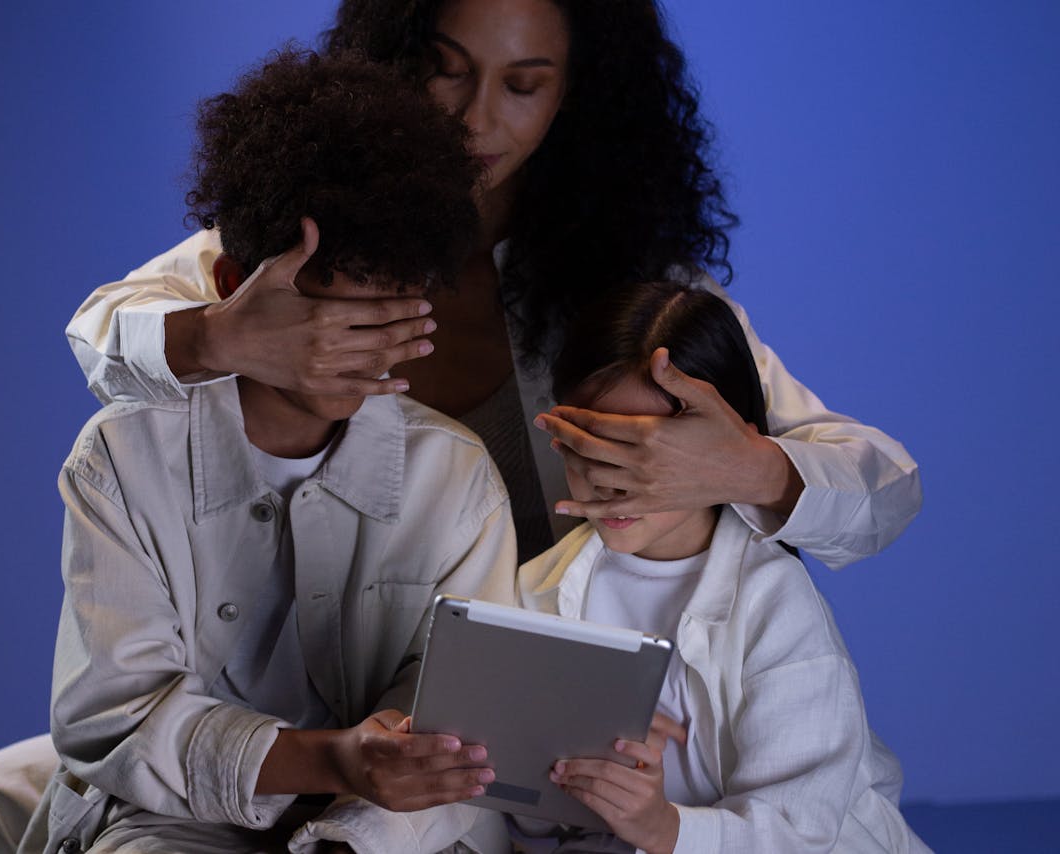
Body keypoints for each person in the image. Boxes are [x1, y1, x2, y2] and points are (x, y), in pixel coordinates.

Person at [68, 0, 920, 570]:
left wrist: (754, 469)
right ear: (390, 63)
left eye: (523, 84)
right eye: (445, 68)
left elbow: (883, 487)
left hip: (568, 715)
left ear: (574, 98)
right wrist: (217, 337)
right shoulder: (299, 245)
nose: (475, 117)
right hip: (333, 703)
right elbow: (103, 334)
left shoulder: (631, 285)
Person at [0, 50, 518, 854]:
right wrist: (334, 758)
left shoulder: (454, 479)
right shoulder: (124, 459)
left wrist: (355, 817)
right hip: (171, 816)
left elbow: (460, 737)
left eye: (392, 320)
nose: (363, 354)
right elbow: (115, 718)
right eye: (338, 321)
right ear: (237, 282)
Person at [515, 282, 931, 853]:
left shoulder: (774, 605)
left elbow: (802, 833)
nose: (609, 478)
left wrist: (665, 828)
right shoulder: (538, 590)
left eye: (641, 453)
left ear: (719, 445)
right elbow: (526, 811)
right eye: (589, 445)